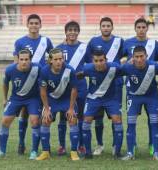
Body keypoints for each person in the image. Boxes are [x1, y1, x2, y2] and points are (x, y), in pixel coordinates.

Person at [13, 14, 54, 155]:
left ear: (40, 25)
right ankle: (21, 142)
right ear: (27, 25)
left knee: (42, 113)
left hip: (41, 82)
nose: (34, 25)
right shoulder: (20, 42)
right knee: (24, 113)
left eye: (36, 23)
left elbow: (52, 58)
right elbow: (15, 63)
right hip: (26, 83)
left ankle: (43, 145)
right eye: (31, 23)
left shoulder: (46, 41)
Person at [122, 18, 158, 155]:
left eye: (143, 27)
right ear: (135, 28)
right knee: (131, 120)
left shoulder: (154, 44)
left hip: (150, 88)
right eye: (138, 27)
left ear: (147, 28)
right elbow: (119, 60)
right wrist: (126, 62)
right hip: (132, 88)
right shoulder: (127, 43)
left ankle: (153, 146)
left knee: (153, 120)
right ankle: (131, 147)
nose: (141, 29)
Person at [0, 49, 41, 160]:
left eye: (26, 59)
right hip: (15, 99)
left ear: (31, 60)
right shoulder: (10, 70)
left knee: (34, 120)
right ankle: (2, 152)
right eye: (21, 59)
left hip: (33, 98)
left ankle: (34, 151)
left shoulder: (37, 68)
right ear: (17, 60)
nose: (24, 62)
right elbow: (5, 84)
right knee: (5, 121)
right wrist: (5, 99)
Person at [87, 17, 124, 156]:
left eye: (108, 25)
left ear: (112, 27)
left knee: (116, 116)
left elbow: (127, 55)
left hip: (115, 85)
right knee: (98, 117)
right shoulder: (93, 42)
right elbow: (88, 61)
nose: (106, 28)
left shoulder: (119, 41)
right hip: (97, 86)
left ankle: (116, 145)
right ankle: (99, 144)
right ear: (100, 27)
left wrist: (124, 60)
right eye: (104, 25)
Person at [77, 49, 123, 159]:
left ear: (106, 60)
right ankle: (88, 153)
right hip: (94, 98)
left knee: (117, 119)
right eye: (96, 61)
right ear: (92, 61)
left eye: (101, 60)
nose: (99, 63)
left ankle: (117, 152)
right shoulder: (88, 68)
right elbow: (79, 75)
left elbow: (127, 70)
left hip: (111, 99)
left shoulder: (114, 67)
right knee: (86, 121)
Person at [36, 48, 80, 161]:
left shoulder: (70, 70)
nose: (59, 61)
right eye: (56, 59)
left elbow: (74, 90)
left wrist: (71, 108)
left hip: (66, 100)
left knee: (73, 119)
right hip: (52, 100)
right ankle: (45, 152)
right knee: (45, 120)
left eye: (61, 58)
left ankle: (74, 152)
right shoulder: (44, 71)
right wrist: (46, 109)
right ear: (50, 60)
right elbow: (43, 91)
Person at [56, 21, 90, 155]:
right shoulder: (58, 49)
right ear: (65, 32)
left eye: (75, 30)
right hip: (63, 89)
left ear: (78, 32)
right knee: (63, 117)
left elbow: (90, 65)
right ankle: (61, 146)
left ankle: (81, 145)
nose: (72, 32)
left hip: (81, 87)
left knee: (80, 116)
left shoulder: (84, 48)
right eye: (70, 30)